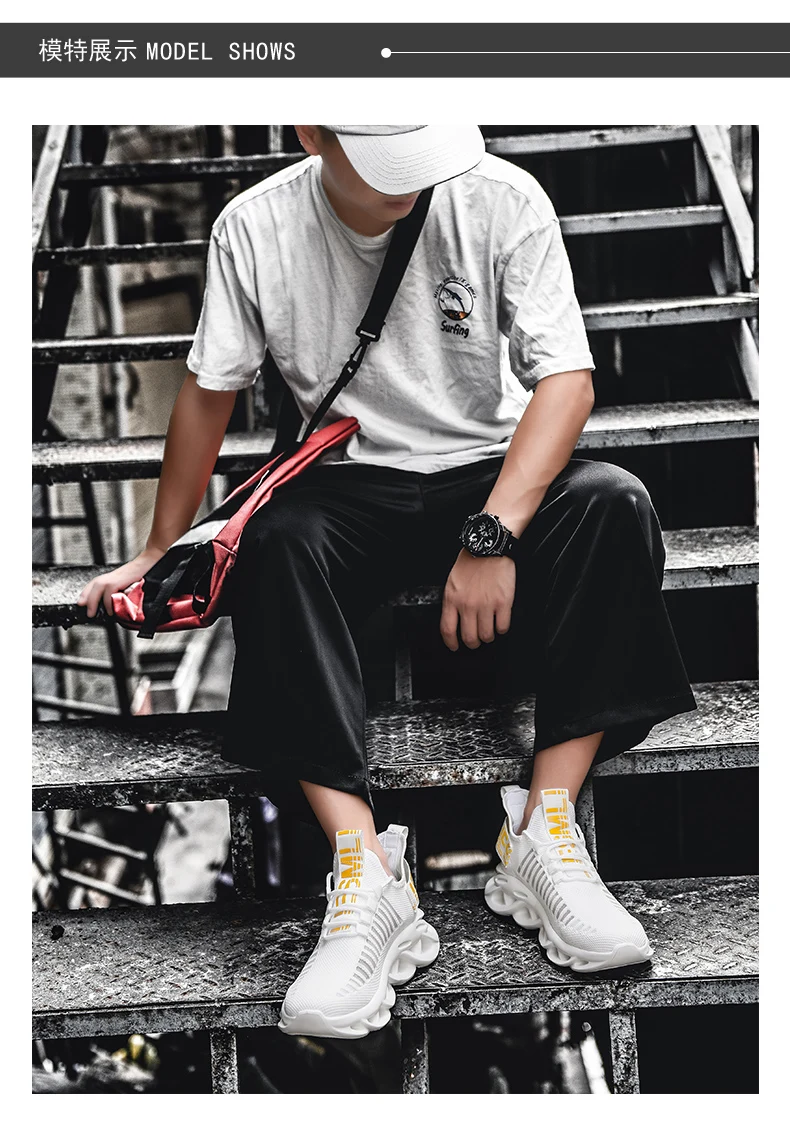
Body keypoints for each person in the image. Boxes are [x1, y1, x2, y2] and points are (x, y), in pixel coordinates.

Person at [79, 125, 696, 1039]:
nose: (412, 176)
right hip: (350, 482)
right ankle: (366, 875)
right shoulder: (256, 226)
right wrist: (161, 548)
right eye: (385, 153)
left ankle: (545, 832)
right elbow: (208, 393)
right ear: (311, 132)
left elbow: (566, 384)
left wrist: (492, 534)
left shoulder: (500, 197)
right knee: (276, 546)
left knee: (615, 503)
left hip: (492, 469)